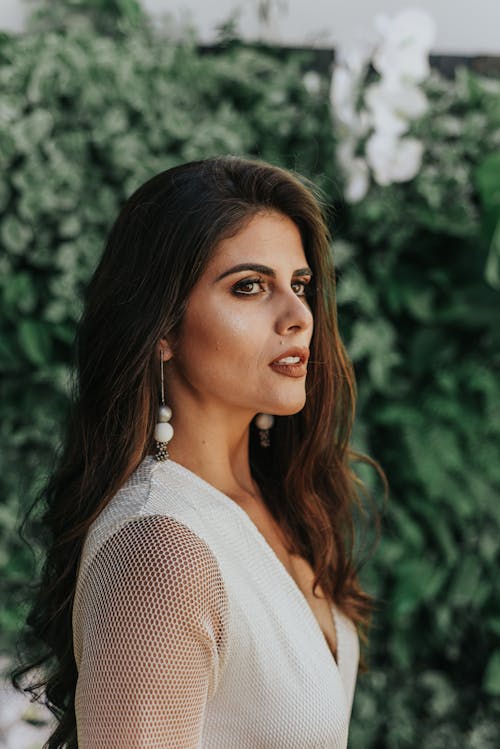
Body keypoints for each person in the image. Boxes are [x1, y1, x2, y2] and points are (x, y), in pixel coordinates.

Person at [13, 156, 386, 748]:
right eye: (249, 287)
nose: (298, 318)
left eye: (300, 285)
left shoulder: (268, 502)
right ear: (162, 328)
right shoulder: (159, 549)